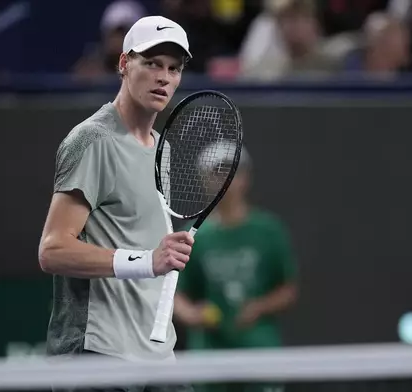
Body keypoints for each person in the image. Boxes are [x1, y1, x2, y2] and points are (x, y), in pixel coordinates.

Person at [38, 14, 194, 391]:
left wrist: (163, 255)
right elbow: (53, 250)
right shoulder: (92, 140)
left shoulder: (163, 149)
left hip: (157, 361)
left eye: (173, 68)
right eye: (152, 63)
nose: (163, 77)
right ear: (124, 64)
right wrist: (146, 261)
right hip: (98, 357)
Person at [174, 144, 298, 392]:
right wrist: (193, 314)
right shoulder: (192, 235)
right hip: (209, 360)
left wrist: (259, 307)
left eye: (232, 172)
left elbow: (288, 289)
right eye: (216, 172)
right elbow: (176, 295)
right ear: (203, 179)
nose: (225, 180)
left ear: (246, 178)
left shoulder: (269, 231)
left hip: (259, 354)